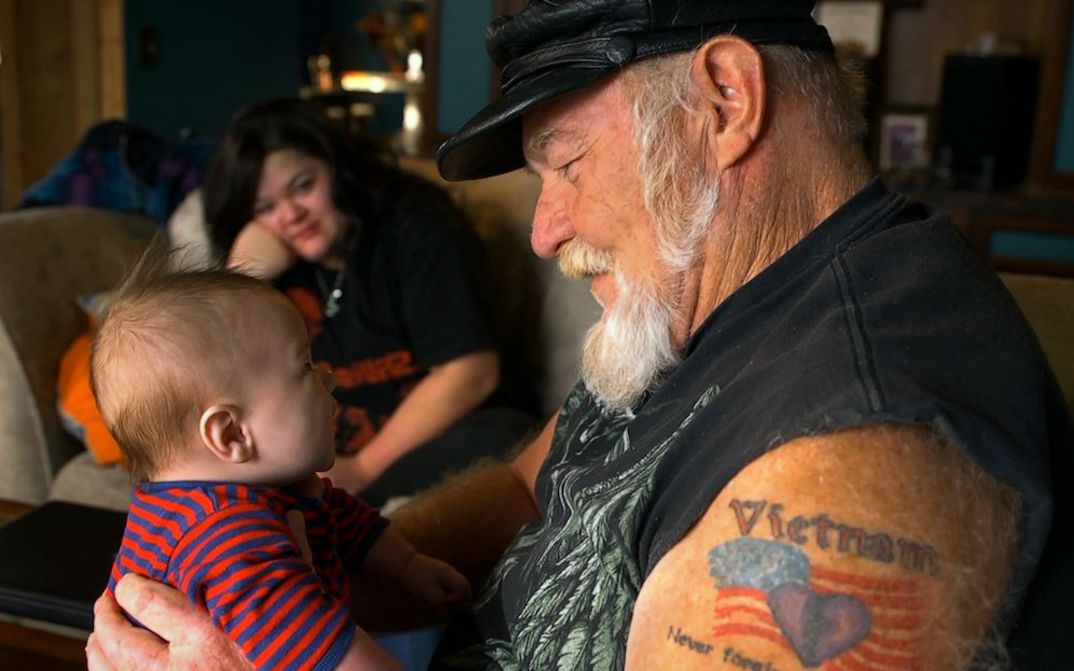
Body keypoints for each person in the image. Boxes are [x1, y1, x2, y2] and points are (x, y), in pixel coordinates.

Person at [87, 1, 1073, 670]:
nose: (543, 227)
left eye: (566, 164)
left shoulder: (854, 456)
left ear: (726, 102)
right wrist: (287, 592)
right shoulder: (687, 302)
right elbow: (530, 487)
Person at [92, 251, 471, 670]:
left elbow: (346, 521)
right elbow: (326, 656)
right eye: (304, 365)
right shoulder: (229, 539)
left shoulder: (269, 486)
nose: (327, 376)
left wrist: (408, 567)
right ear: (232, 435)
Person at [201, 98, 535, 504]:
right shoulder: (272, 268)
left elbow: (470, 372)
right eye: (266, 207)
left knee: (508, 437)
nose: (290, 215)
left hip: (432, 441)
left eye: (303, 186)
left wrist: (361, 469)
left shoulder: (418, 227)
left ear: (338, 169)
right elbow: (212, 389)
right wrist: (242, 277)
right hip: (324, 454)